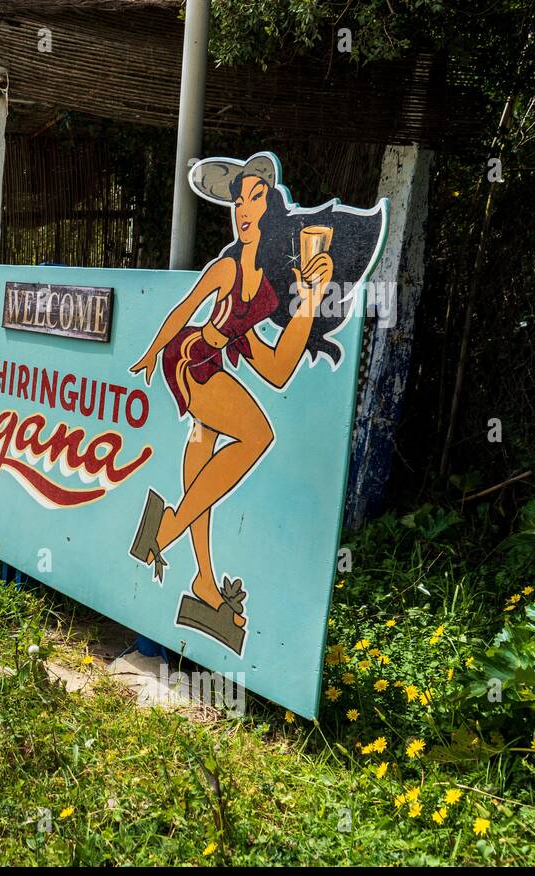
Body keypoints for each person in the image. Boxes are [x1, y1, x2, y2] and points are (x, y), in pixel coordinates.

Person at [126, 151, 385, 653]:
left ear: (270, 208)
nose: (243, 209)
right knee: (256, 434)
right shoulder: (226, 268)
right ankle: (168, 527)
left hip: (214, 363)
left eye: (255, 198)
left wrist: (311, 298)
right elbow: (185, 309)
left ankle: (203, 581)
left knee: (205, 456)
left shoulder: (266, 290)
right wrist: (153, 351)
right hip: (190, 359)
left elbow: (277, 368)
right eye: (238, 201)